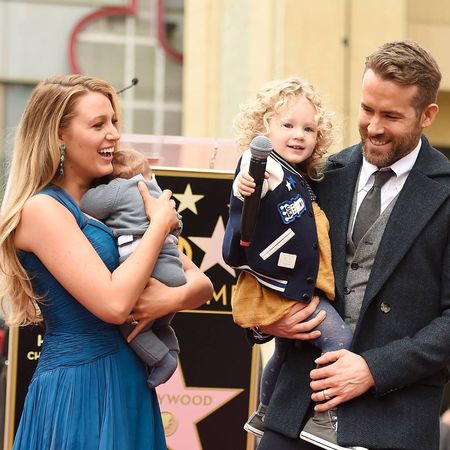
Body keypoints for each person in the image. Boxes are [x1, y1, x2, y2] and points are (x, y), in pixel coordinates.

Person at [245, 40, 450, 450]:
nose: (373, 126)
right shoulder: (320, 173)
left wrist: (374, 369)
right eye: (366, 109)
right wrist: (264, 322)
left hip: (395, 424)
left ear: (428, 115)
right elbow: (264, 255)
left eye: (391, 115)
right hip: (292, 417)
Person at [0, 75, 213, 450]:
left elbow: (202, 285)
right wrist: (159, 223)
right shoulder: (42, 209)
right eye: (98, 124)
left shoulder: (118, 200)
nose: (113, 134)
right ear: (59, 136)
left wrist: (165, 300)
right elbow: (115, 304)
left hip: (127, 379)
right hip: (80, 387)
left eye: (114, 121)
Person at [222, 77, 353, 446]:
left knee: (281, 350)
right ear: (263, 128)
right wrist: (244, 183)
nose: (299, 135)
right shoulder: (266, 163)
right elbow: (250, 177)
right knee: (340, 338)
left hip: (287, 284)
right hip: (284, 286)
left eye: (308, 128)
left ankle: (264, 411)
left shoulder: (300, 175)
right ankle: (325, 418)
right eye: (287, 125)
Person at [81, 148, 185, 389]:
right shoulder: (159, 195)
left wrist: (97, 188)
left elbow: (87, 203)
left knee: (131, 324)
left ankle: (161, 359)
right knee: (161, 324)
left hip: (149, 274)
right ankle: (171, 350)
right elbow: (177, 225)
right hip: (174, 270)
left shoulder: (119, 189)